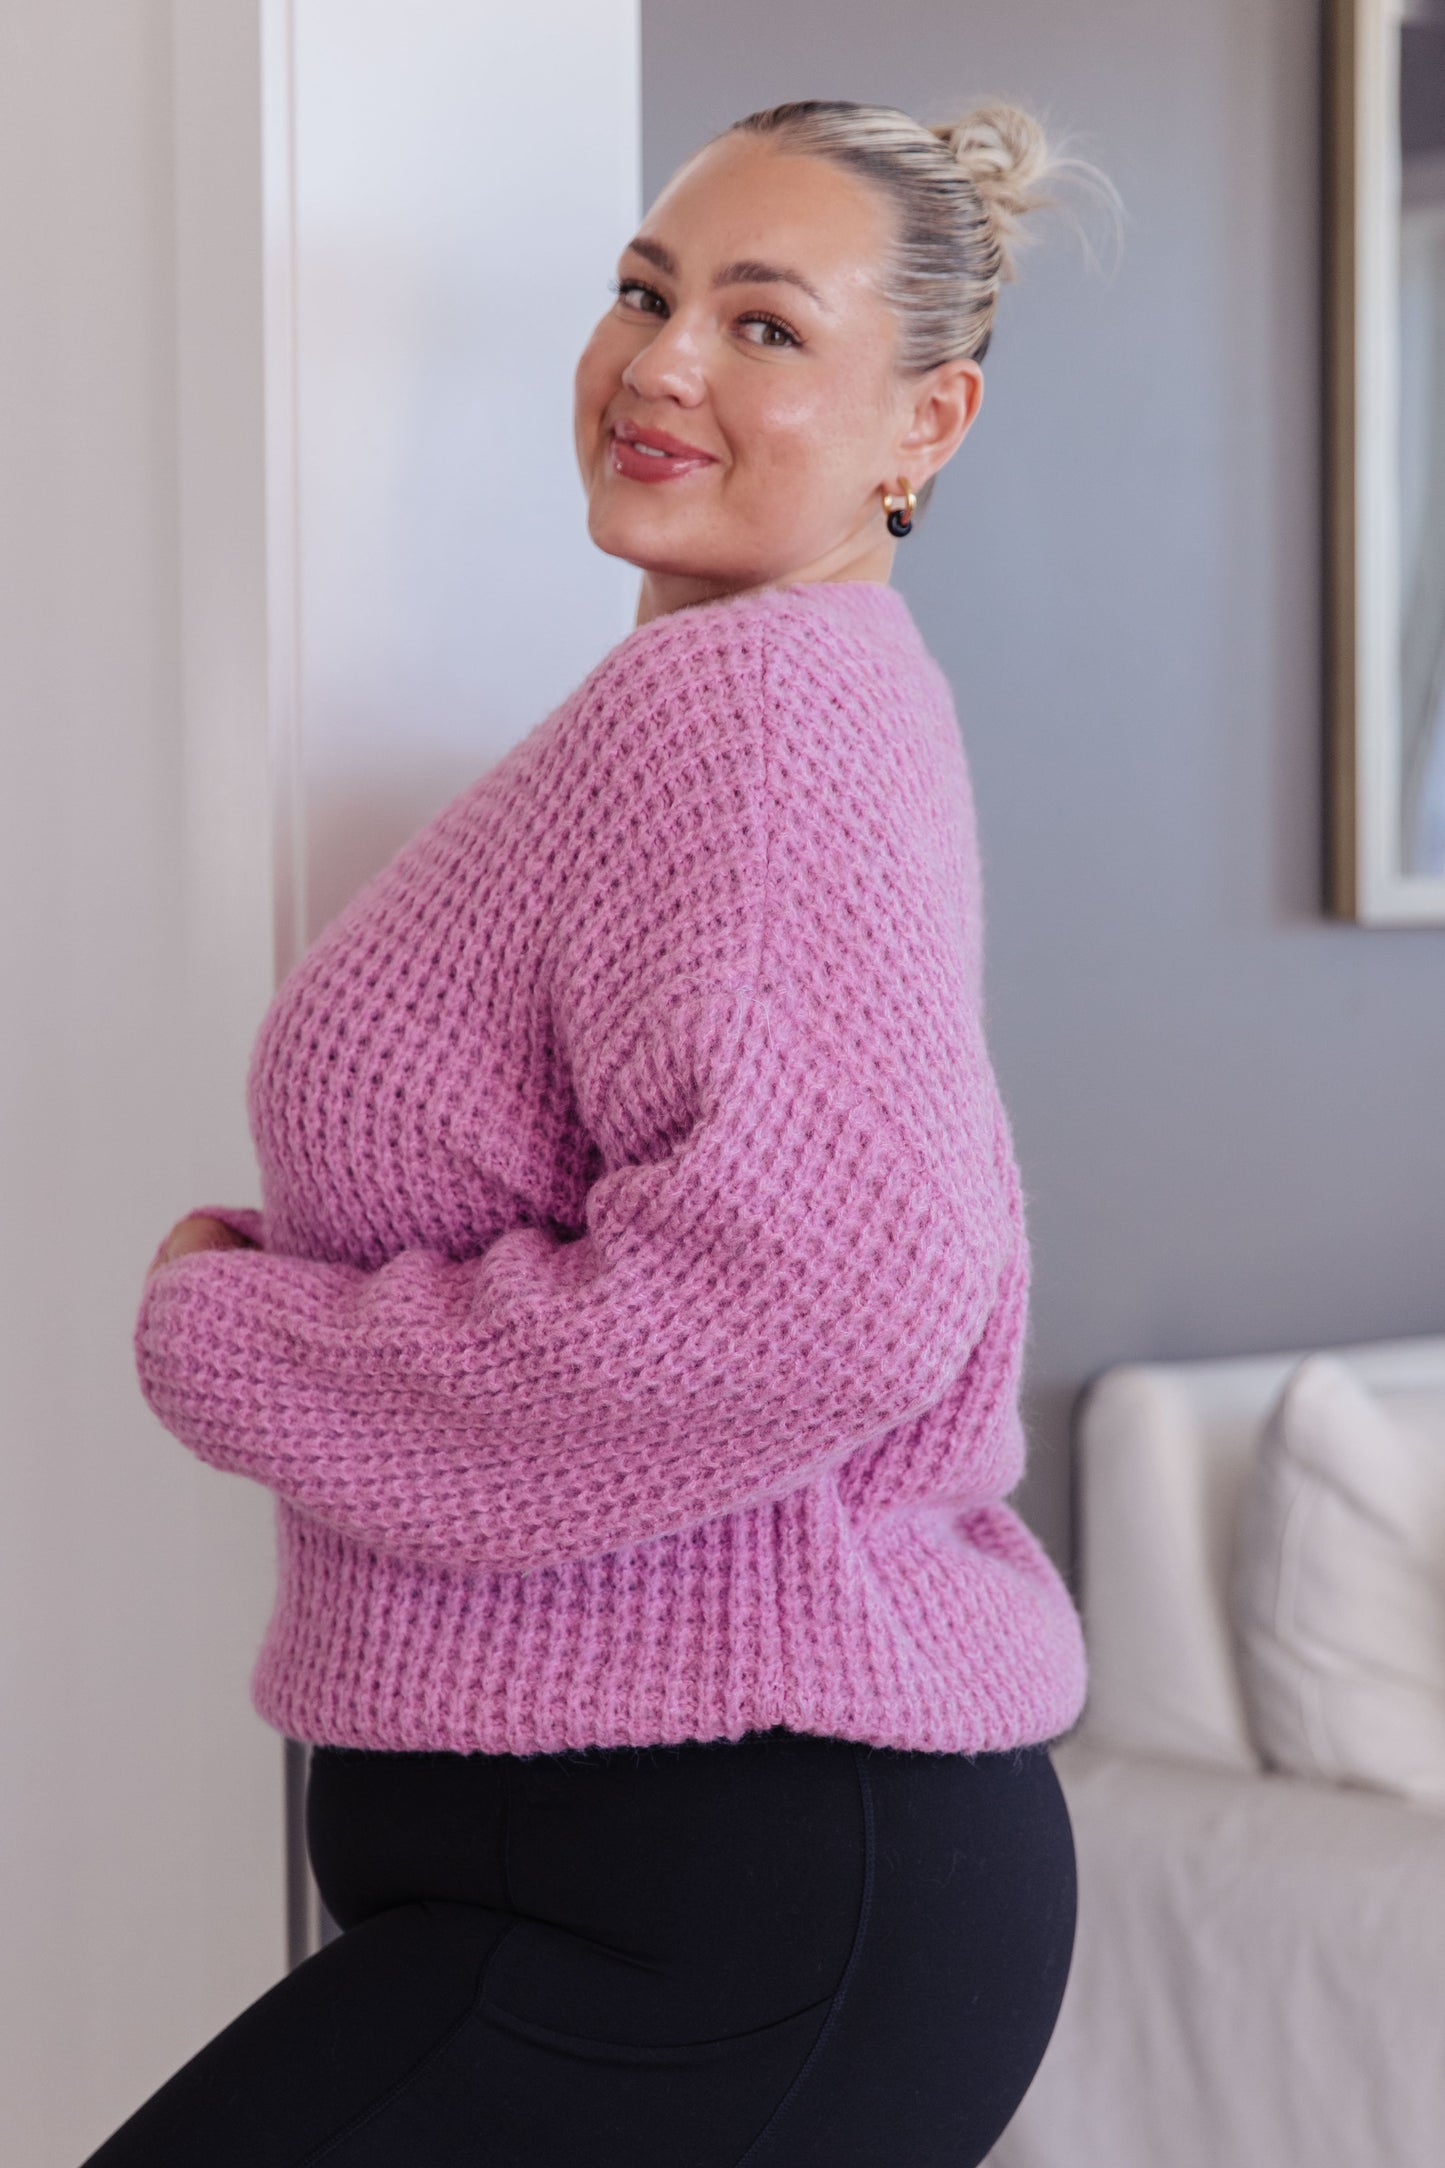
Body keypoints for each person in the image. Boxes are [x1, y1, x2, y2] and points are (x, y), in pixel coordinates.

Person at [88, 95, 1117, 2168]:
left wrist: (246, 1338)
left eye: (761, 325)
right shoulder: (716, 703)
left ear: (928, 423)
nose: (660, 363)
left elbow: (821, 1294)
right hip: (639, 1868)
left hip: (720, 1889)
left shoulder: (744, 722)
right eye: (645, 295)